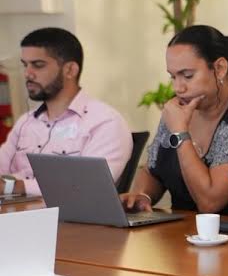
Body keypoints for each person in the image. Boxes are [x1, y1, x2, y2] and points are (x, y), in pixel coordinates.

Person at [121, 25, 228, 217]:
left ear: (220, 68)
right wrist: (142, 195)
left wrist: (180, 133)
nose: (178, 88)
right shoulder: (180, 108)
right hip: (182, 230)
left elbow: (209, 202)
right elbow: (154, 170)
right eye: (173, 77)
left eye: (187, 76)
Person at [0, 28, 132, 195]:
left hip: (68, 212)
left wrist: (15, 186)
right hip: (15, 209)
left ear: (70, 70)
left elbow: (88, 184)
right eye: (25, 65)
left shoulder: (104, 122)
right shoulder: (26, 122)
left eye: (38, 65)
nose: (27, 74)